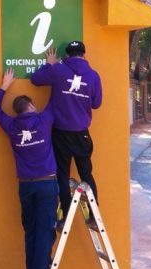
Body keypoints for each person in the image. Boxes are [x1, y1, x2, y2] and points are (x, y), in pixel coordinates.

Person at [0, 68, 59, 269]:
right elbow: (57, 97)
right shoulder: (44, 120)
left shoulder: (11, 126)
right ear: (31, 106)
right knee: (45, 232)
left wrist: (4, 86)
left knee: (30, 231)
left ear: (17, 111)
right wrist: (51, 66)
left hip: (26, 187)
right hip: (47, 184)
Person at [31, 41, 103, 229]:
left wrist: (50, 63)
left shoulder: (58, 70)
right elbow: (96, 104)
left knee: (62, 175)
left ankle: (64, 219)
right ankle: (95, 218)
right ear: (84, 55)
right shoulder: (94, 76)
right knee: (86, 174)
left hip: (60, 133)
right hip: (82, 135)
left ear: (67, 56)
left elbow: (36, 80)